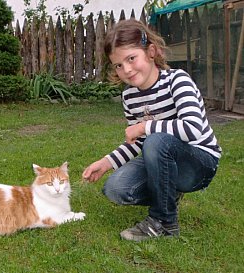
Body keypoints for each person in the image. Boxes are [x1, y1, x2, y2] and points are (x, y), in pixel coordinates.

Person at [82, 19, 222, 242]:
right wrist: (105, 162)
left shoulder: (178, 81)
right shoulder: (129, 96)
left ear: (151, 52)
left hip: (199, 162)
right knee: (116, 188)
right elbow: (138, 141)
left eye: (131, 58)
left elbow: (193, 129)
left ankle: (164, 222)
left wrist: (145, 126)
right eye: (118, 65)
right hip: (163, 157)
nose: (126, 69)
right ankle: (169, 194)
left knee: (156, 141)